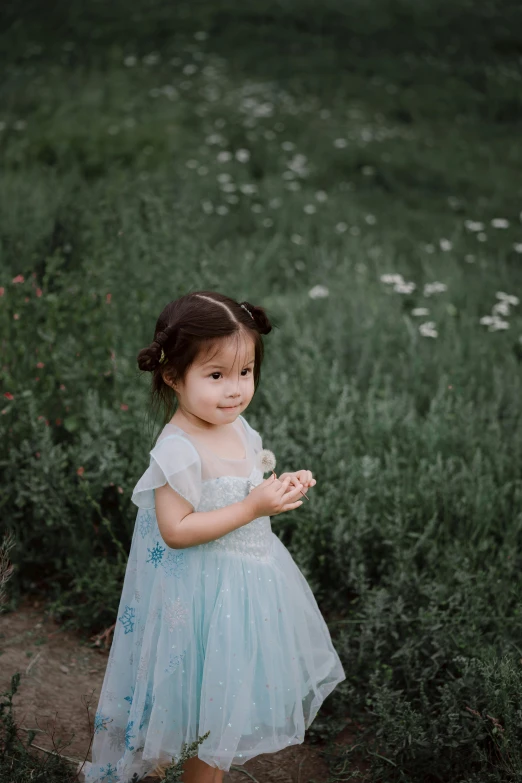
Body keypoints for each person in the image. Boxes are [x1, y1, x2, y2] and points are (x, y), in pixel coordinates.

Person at [78, 290, 346, 783]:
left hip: (244, 593)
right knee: (188, 707)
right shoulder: (177, 450)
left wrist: (276, 491)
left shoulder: (240, 428)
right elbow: (176, 531)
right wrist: (251, 505)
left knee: (221, 708)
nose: (234, 390)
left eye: (245, 373)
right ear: (172, 375)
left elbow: (242, 495)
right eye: (216, 375)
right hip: (195, 599)